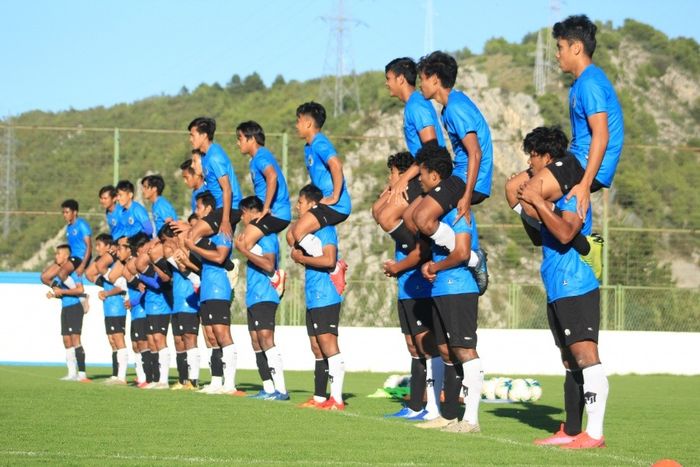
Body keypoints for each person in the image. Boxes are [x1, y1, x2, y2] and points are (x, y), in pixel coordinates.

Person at [505, 15, 623, 279]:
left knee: (532, 192)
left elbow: (601, 136)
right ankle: (549, 233)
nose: (557, 54)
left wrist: (584, 184)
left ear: (576, 48)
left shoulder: (590, 83)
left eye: (560, 47)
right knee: (514, 190)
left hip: (585, 163)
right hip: (576, 158)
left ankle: (586, 247)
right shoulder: (579, 83)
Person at [516, 126, 609, 449]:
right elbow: (538, 231)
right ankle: (571, 430)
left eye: (533, 156)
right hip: (557, 285)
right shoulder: (554, 197)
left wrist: (538, 203)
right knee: (569, 360)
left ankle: (594, 433)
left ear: (547, 158)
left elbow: (568, 233)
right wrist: (527, 205)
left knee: (586, 355)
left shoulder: (572, 194)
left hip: (577, 285)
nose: (530, 163)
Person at [412, 146, 483, 433]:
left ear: (436, 176)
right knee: (445, 350)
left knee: (465, 350)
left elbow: (463, 252)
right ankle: (449, 415)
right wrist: (430, 267)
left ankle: (472, 420)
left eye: (423, 175)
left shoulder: (459, 211)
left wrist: (434, 268)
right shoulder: (439, 215)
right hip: (441, 289)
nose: (420, 180)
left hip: (459, 287)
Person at [414, 51, 491, 292]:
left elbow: (475, 153)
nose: (421, 85)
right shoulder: (449, 108)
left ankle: (472, 258)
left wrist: (466, 196)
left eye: (422, 79)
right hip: (461, 176)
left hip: (468, 179)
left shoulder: (456, 108)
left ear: (435, 79)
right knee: (413, 215)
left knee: (421, 217)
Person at [381, 151, 443, 421]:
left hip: (419, 286)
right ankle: (416, 405)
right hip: (405, 287)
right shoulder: (402, 214)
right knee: (412, 345)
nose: (389, 179)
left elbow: (422, 253)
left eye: (392, 173)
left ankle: (433, 407)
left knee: (426, 344)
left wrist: (398, 267)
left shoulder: (417, 212)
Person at [373, 57, 444, 250]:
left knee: (387, 216)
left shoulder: (417, 105)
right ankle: (420, 251)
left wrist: (404, 181)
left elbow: (431, 147)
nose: (386, 83)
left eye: (388, 78)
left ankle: (421, 255)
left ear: (401, 79)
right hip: (421, 168)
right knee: (378, 208)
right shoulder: (412, 105)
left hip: (432, 171)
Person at [291, 185, 346, 411]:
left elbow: (329, 261)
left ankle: (337, 400)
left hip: (326, 295)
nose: (297, 206)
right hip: (313, 296)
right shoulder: (309, 234)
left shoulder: (325, 229)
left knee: (328, 344)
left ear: (312, 205)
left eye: (300, 202)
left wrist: (302, 259)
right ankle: (320, 397)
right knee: (316, 346)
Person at [185, 191, 244, 396]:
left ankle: (230, 383)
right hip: (207, 288)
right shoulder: (205, 237)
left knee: (221, 333)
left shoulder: (222, 231)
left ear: (209, 209)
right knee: (210, 336)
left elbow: (220, 257)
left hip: (219, 287)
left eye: (199, 207)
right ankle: (216, 381)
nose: (196, 211)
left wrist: (193, 246)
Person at [234, 196, 289, 401]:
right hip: (253, 296)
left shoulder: (266, 235)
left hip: (265, 294)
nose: (242, 218)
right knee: (256, 341)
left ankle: (281, 390)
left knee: (266, 339)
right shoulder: (255, 236)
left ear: (251, 211)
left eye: (243, 213)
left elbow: (269, 264)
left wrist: (245, 251)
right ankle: (267, 388)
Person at [236, 120, 291, 294]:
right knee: (242, 241)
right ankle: (274, 277)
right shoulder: (255, 160)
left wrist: (266, 208)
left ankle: (274, 276)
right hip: (269, 213)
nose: (238, 143)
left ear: (251, 139)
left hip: (277, 213)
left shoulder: (261, 156)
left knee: (243, 242)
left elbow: (272, 176)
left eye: (240, 138)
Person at [158, 224, 201, 390]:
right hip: (176, 303)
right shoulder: (173, 253)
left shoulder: (186, 252)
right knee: (178, 341)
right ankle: (183, 380)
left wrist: (174, 254)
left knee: (190, 338)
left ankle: (194, 380)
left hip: (188, 301)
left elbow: (187, 270)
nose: (165, 245)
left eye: (166, 241)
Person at [186, 117, 243, 242]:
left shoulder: (214, 156)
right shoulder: (206, 156)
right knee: (189, 236)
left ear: (204, 135)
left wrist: (225, 220)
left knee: (192, 235)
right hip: (219, 208)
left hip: (230, 208)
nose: (190, 139)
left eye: (192, 135)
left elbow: (227, 189)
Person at [40, 244, 90, 382]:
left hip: (75, 308)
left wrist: (61, 292)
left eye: (58, 254)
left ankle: (82, 374)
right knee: (66, 340)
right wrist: (54, 294)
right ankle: (71, 373)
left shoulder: (73, 274)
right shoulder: (60, 277)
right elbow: (61, 291)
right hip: (66, 308)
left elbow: (80, 290)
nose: (56, 256)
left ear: (66, 257)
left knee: (75, 340)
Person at [89, 234, 128, 385]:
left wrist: (107, 292)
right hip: (108, 307)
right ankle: (115, 374)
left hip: (117, 306)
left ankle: (122, 377)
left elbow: (121, 287)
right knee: (112, 340)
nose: (97, 248)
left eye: (99, 245)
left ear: (108, 246)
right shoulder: (107, 269)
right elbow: (90, 273)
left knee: (118, 339)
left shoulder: (118, 265)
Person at [54, 200, 92, 301]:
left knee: (62, 273)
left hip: (80, 257)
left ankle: (81, 297)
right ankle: (64, 291)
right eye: (63, 212)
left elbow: (89, 246)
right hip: (73, 257)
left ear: (74, 212)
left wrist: (83, 265)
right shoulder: (69, 227)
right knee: (48, 275)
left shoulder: (81, 224)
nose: (64, 215)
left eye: (67, 212)